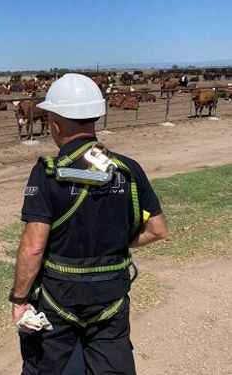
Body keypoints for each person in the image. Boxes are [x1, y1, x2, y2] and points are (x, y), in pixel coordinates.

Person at [10, 74, 168, 374]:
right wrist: (118, 242)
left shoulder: (47, 173)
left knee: (47, 367)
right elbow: (158, 230)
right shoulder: (126, 169)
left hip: (60, 297)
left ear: (55, 124)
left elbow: (33, 247)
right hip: (110, 296)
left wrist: (19, 299)